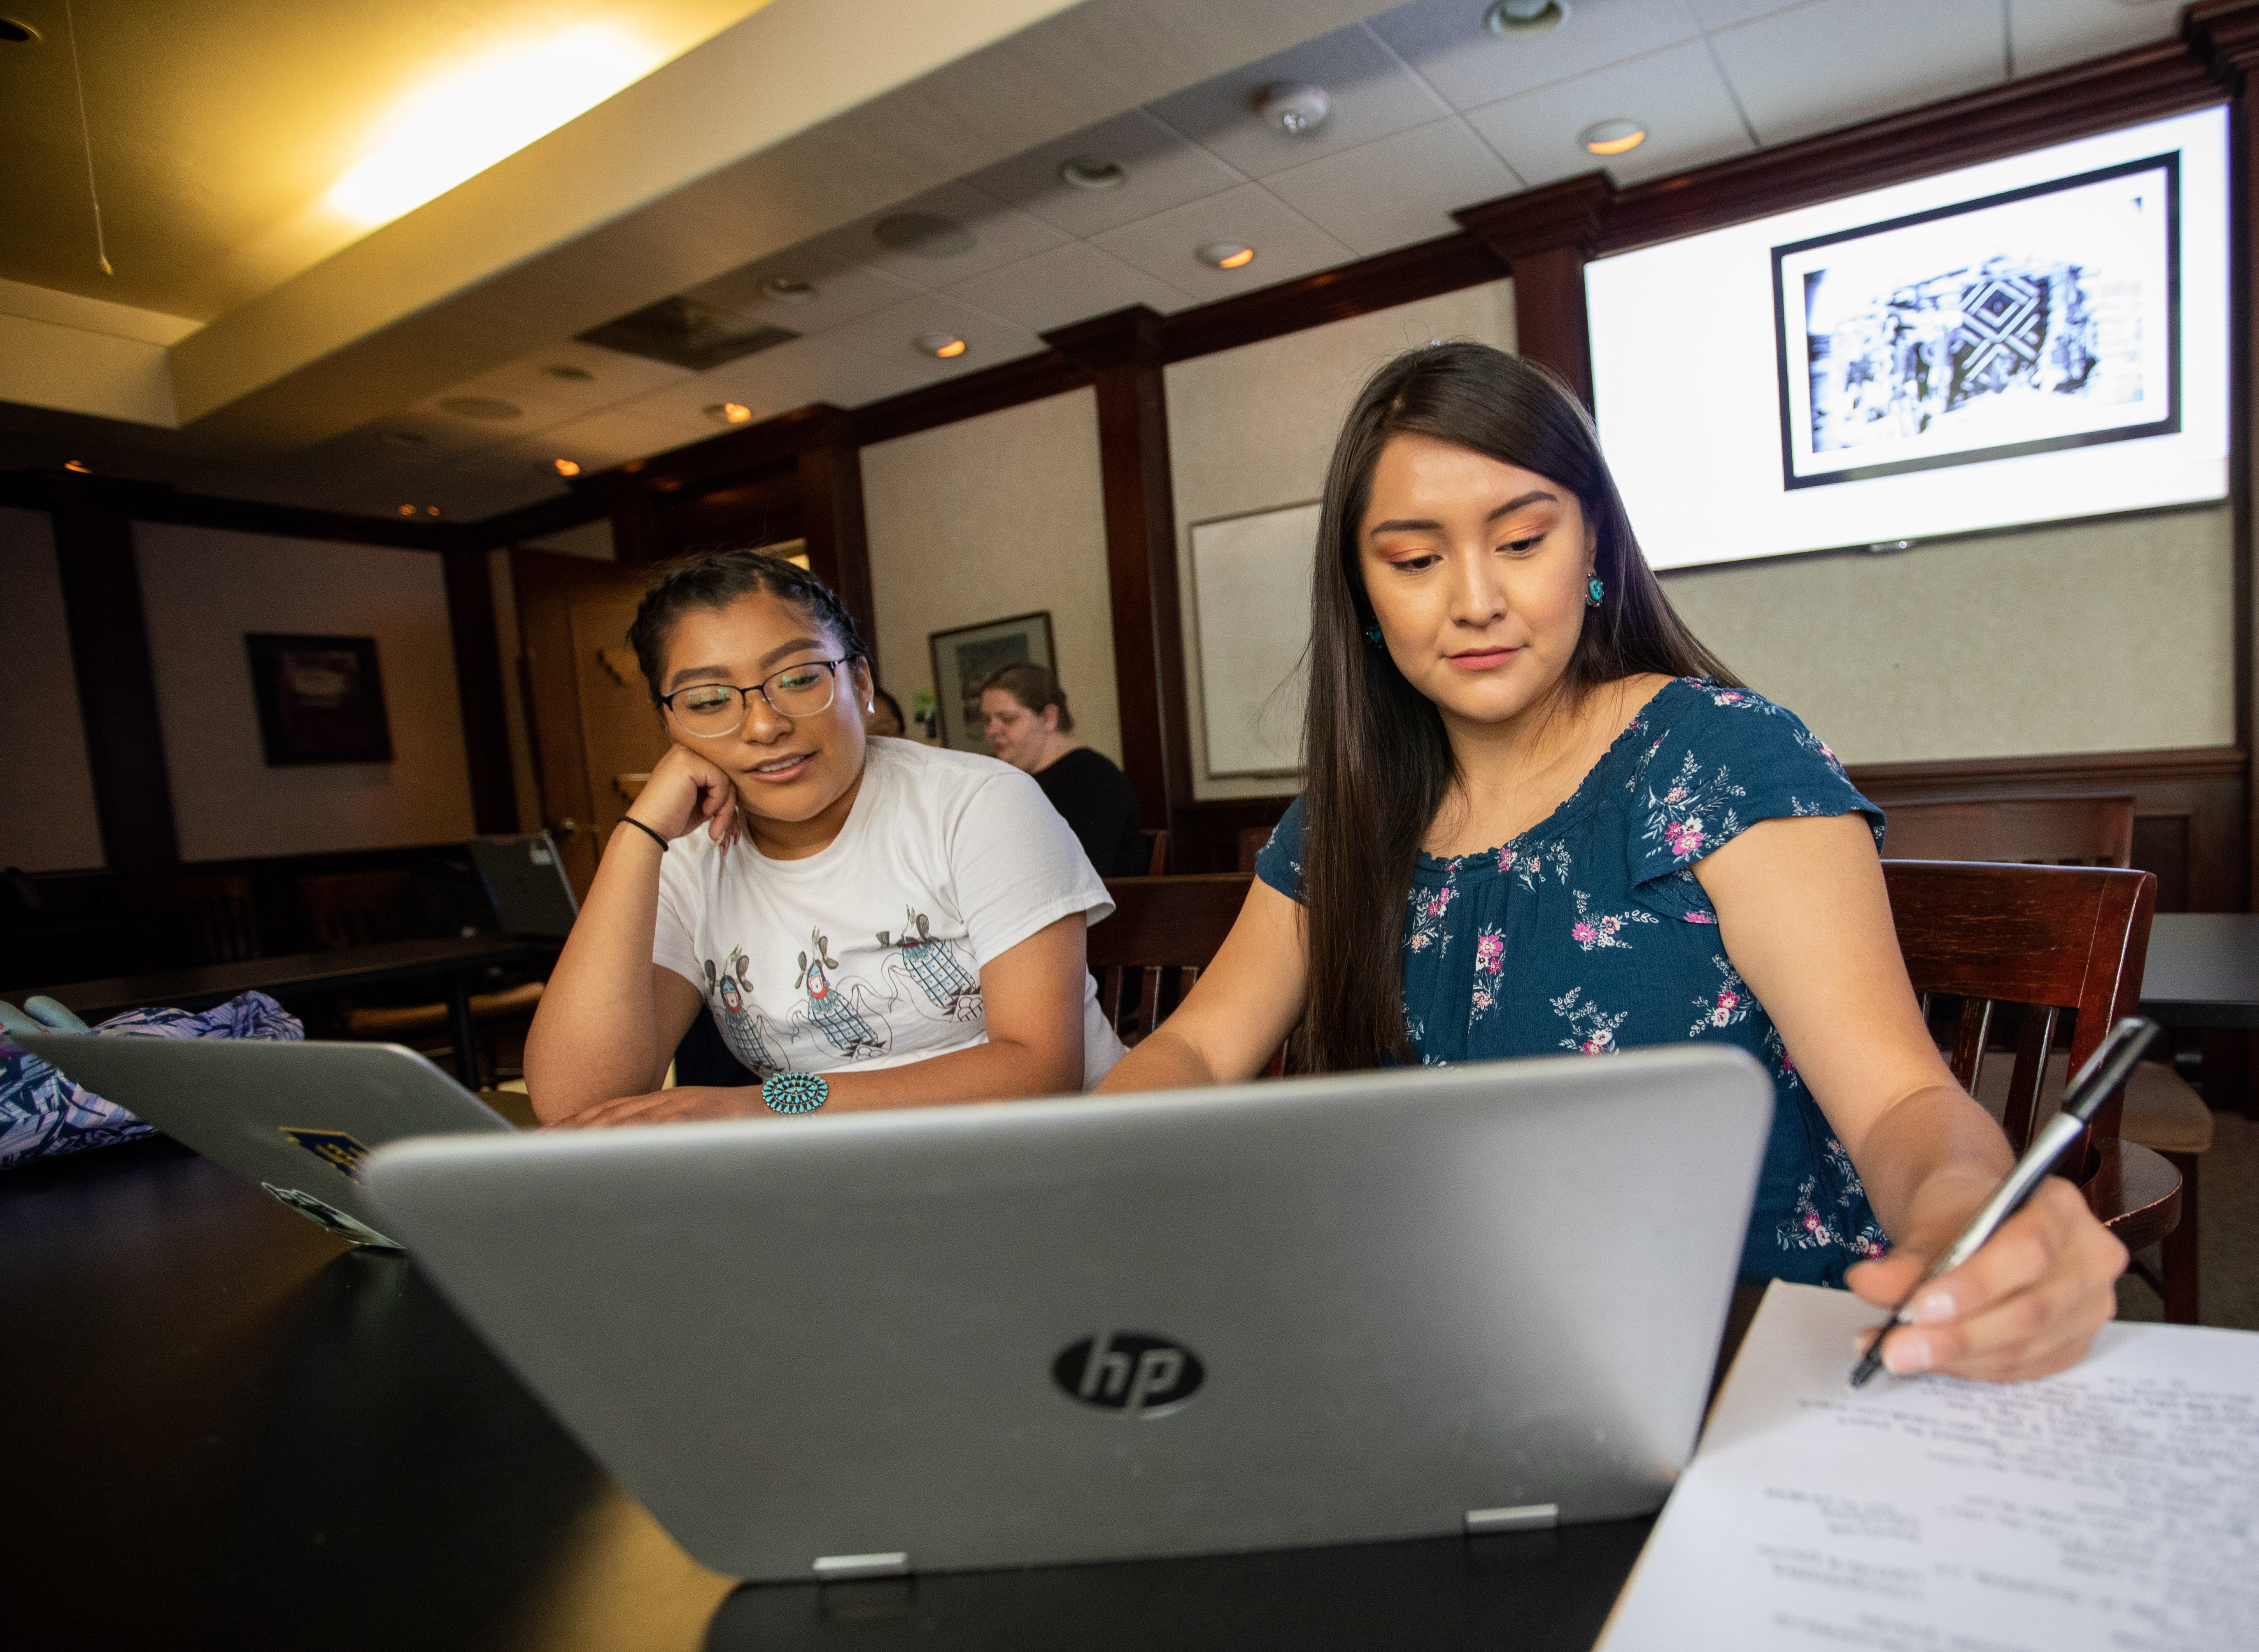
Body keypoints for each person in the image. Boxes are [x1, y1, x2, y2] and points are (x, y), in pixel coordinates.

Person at [1098, 343, 2125, 1384]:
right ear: (1362, 593)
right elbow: (1197, 1049)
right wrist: (1073, 1175)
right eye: (1413, 561)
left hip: (1740, 1351)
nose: (1476, 600)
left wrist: (1964, 1208)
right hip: (1441, 1347)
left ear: (1593, 541)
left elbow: (1900, 1098)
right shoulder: (1344, 822)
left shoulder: (1719, 760)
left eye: (1522, 541)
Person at [524, 551, 1124, 1127]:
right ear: (671, 725)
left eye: (799, 678)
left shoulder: (980, 803)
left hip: (1050, 1163)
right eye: (708, 701)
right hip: (846, 1179)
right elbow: (576, 1102)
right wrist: (639, 835)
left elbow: (1039, 1070)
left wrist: (758, 1106)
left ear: (860, 682)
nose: (765, 725)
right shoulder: (689, 858)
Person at [980, 662, 1151, 878]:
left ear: (1049, 718)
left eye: (1007, 719)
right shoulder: (1008, 779)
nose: (992, 731)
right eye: (987, 720)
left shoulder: (1095, 779)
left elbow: (1076, 876)